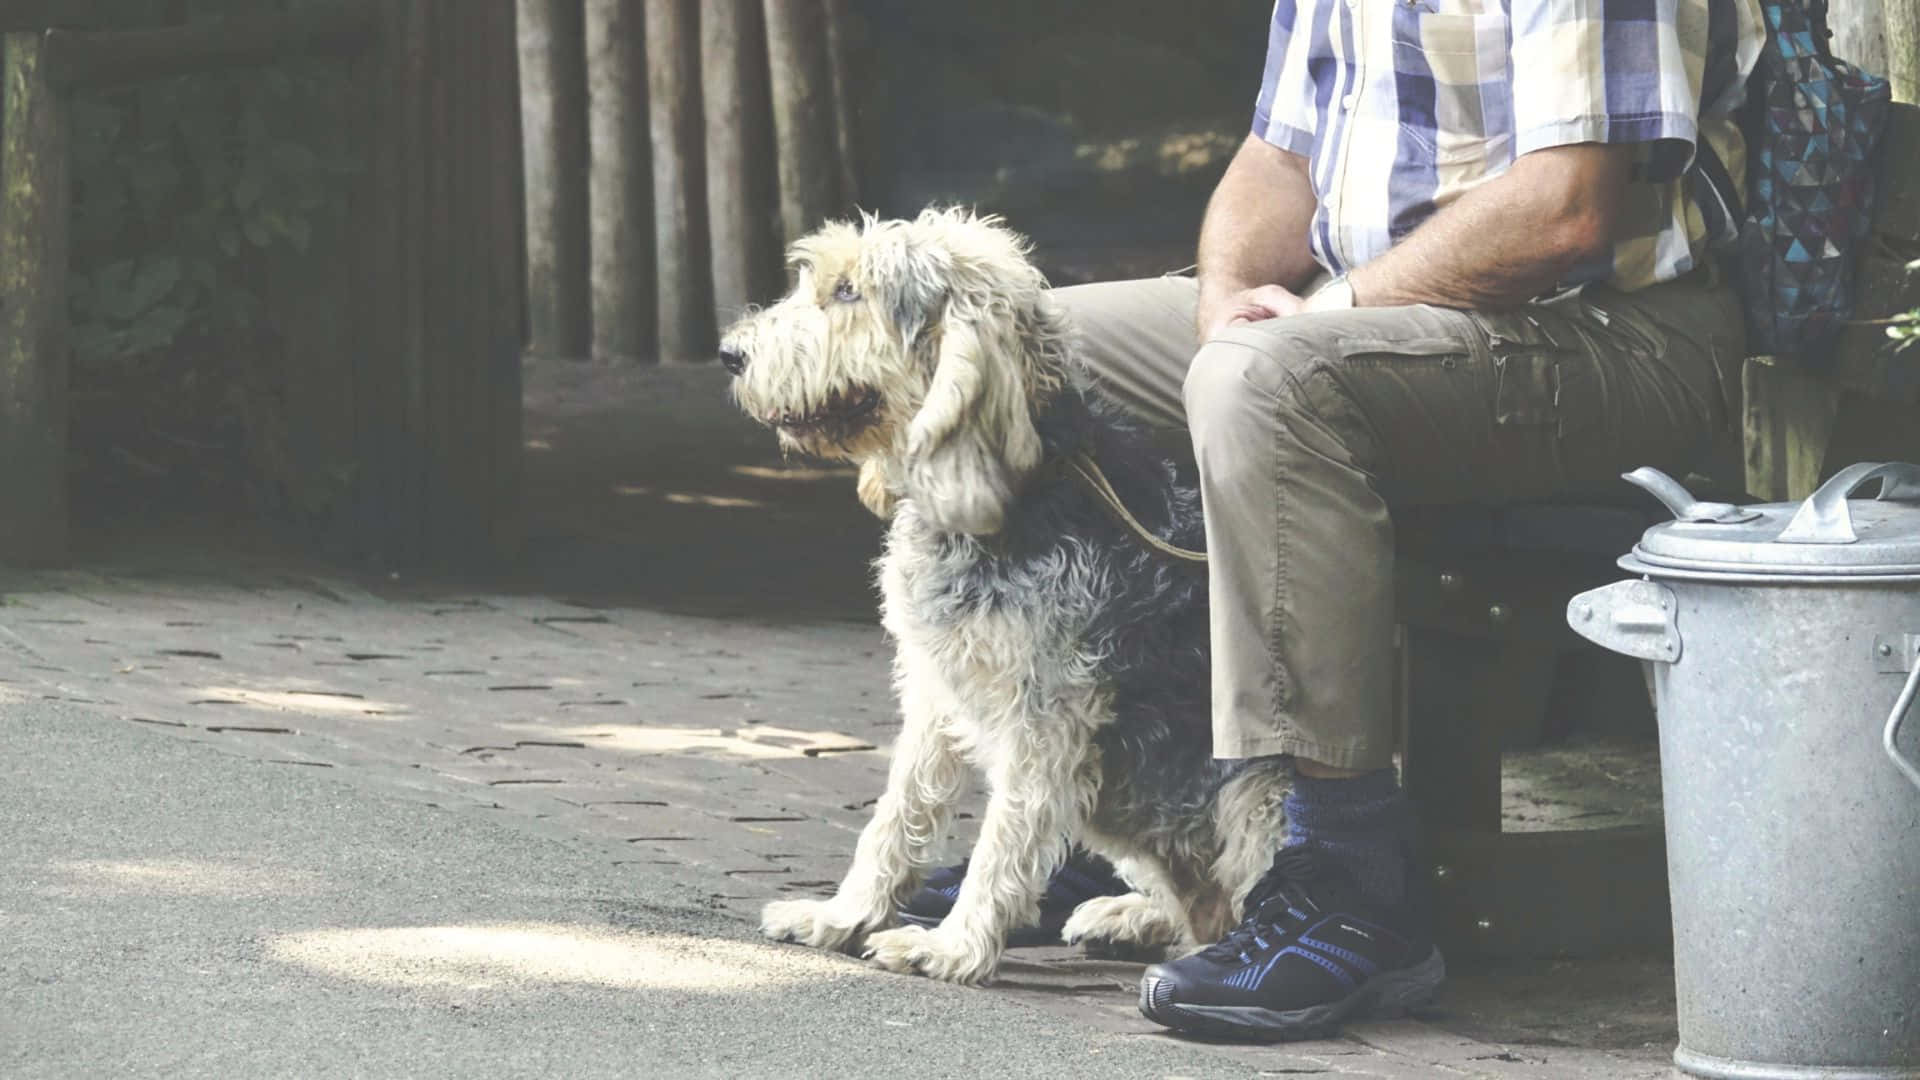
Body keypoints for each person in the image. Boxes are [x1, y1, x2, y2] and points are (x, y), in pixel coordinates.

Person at [1046, 0, 1766, 1041]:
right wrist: (1223, 297)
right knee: (1030, 355)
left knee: (1262, 385)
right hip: (1365, 312)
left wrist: (1320, 319)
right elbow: (1277, 155)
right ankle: (1094, 816)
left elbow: (1565, 209)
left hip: (1613, 330)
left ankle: (1353, 888)